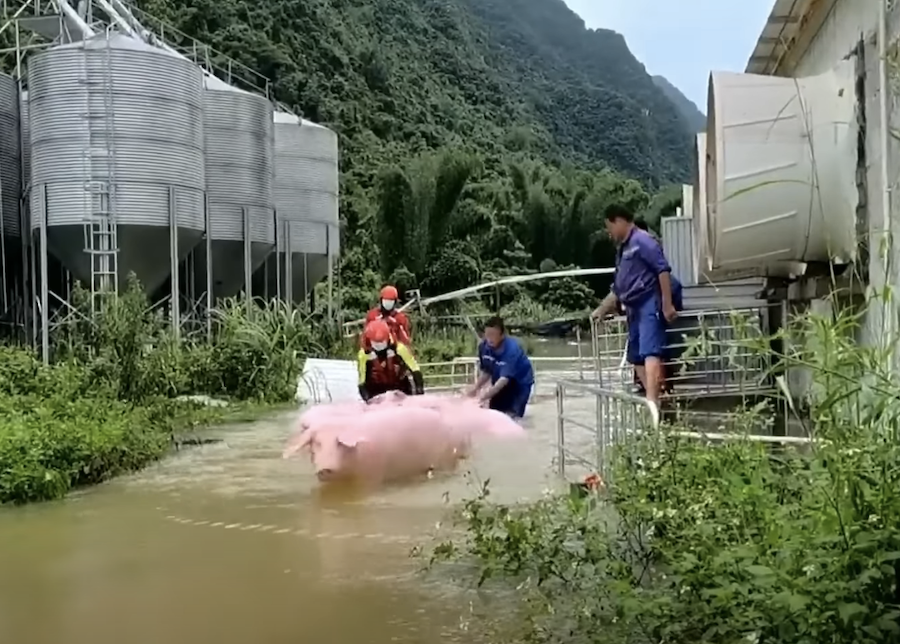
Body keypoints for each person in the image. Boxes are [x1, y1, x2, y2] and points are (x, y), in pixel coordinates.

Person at [590, 205, 678, 405]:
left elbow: (662, 270)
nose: (609, 233)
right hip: (632, 307)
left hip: (648, 302)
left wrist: (666, 304)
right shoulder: (623, 248)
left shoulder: (643, 240)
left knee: (650, 351)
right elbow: (620, 284)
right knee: (635, 355)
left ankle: (653, 400)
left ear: (619, 221)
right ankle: (651, 397)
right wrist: (603, 309)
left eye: (609, 227)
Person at [467, 316, 534, 420]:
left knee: (511, 416)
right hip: (499, 378)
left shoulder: (511, 350)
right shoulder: (483, 347)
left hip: (519, 383)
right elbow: (486, 371)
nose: (489, 339)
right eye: (487, 334)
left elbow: (503, 380)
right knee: (494, 412)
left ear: (502, 335)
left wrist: (482, 397)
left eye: (493, 335)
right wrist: (475, 388)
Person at [357, 319, 424, 403]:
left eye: (382, 342)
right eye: (376, 343)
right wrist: (367, 399)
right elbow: (362, 380)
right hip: (375, 390)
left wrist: (419, 390)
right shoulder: (363, 354)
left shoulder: (400, 348)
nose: (379, 345)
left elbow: (414, 368)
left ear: (387, 337)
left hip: (400, 386)